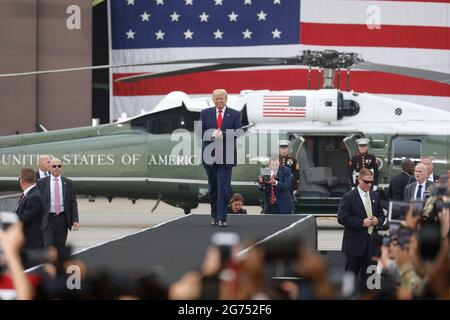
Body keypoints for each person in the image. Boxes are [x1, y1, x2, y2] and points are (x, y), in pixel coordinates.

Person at [200, 89, 241, 227]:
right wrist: (212, 134)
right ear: (213, 100)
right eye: (216, 98)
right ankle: (214, 215)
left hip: (226, 157)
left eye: (221, 98)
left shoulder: (235, 114)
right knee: (213, 188)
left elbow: (238, 132)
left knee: (223, 188)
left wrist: (223, 134)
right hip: (209, 156)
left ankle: (221, 218)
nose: (219, 101)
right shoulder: (205, 113)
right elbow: (200, 131)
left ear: (226, 99)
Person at [337, 168, 385, 289]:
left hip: (372, 244)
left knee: (371, 277)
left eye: (371, 182)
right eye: (366, 181)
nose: (369, 184)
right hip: (354, 244)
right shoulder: (348, 197)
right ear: (359, 180)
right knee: (350, 275)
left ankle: (370, 296)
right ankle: (347, 296)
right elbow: (342, 218)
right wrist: (361, 223)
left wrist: (378, 220)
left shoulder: (375, 196)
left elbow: (381, 214)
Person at [36, 158, 80, 248]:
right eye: (54, 166)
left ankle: (57, 262)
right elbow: (37, 201)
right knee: (48, 246)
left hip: (62, 219)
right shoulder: (41, 182)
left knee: (60, 246)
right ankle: (48, 262)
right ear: (49, 167)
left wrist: (75, 220)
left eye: (59, 166)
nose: (57, 168)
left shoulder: (68, 183)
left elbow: (73, 202)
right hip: (48, 219)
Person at [15, 168, 45, 267]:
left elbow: (24, 219)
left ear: (21, 180)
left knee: (30, 272)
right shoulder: (29, 194)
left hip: (31, 244)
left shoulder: (34, 196)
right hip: (26, 243)